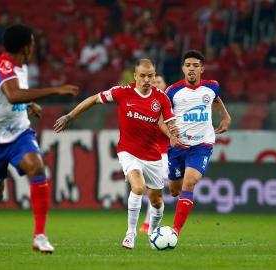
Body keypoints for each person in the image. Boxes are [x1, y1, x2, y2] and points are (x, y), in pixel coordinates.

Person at [0, 24, 79, 255]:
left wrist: (28, 105)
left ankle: (40, 235)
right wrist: (56, 90)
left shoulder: (21, 68)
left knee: (36, 167)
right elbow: (12, 94)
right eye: (32, 43)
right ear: (26, 47)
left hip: (19, 134)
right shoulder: (2, 65)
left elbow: (15, 95)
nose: (34, 47)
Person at [54, 59, 178, 249]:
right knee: (137, 188)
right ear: (135, 76)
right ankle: (130, 234)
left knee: (157, 201)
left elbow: (170, 122)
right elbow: (94, 99)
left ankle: (154, 232)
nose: (147, 80)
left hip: (153, 155)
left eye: (150, 76)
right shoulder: (122, 92)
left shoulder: (161, 98)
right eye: (143, 76)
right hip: (128, 152)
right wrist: (69, 116)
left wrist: (175, 134)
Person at [165, 50, 231, 236]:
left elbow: (216, 100)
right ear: (183, 69)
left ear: (202, 69)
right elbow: (162, 115)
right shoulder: (173, 91)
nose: (191, 69)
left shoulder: (212, 87)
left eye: (195, 66)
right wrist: (170, 134)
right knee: (174, 190)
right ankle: (177, 215)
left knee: (190, 182)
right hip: (178, 146)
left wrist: (225, 117)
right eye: (188, 66)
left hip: (202, 145)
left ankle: (175, 231)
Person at [139, 74, 171, 233]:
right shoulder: (146, 105)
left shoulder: (169, 106)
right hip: (147, 154)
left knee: (154, 190)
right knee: (149, 190)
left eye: (159, 81)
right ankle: (148, 223)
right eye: (153, 82)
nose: (156, 84)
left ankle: (149, 224)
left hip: (164, 155)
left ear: (165, 85)